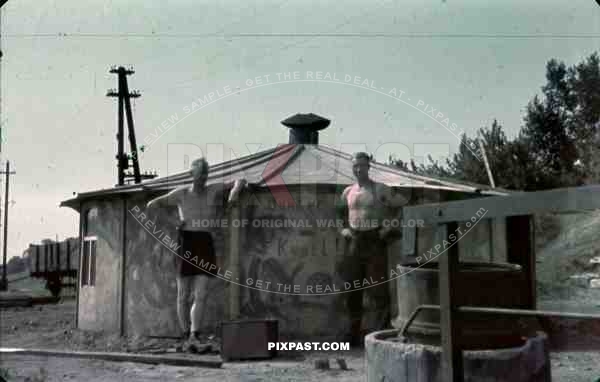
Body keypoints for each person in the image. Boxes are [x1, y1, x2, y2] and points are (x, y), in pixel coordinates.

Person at [146, 157, 247, 351]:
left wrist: (234, 191)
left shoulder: (213, 190)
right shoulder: (181, 194)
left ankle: (195, 334)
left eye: (205, 175)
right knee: (183, 294)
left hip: (205, 243)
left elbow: (239, 180)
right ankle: (185, 334)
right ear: (192, 175)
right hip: (186, 242)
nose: (202, 179)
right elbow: (152, 205)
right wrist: (171, 222)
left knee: (201, 294)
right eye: (199, 174)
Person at [337, 152, 406, 346]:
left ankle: (380, 335)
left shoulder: (380, 189)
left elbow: (402, 206)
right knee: (352, 288)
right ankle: (353, 335)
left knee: (378, 289)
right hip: (355, 240)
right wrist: (343, 230)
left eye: (362, 165)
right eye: (355, 166)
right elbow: (338, 215)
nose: (358, 169)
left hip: (375, 239)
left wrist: (388, 228)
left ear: (368, 167)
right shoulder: (347, 192)